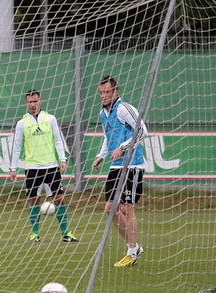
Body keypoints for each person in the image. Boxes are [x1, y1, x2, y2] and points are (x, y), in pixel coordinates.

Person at [92, 75, 148, 268]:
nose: (103, 95)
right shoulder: (103, 114)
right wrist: (101, 155)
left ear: (116, 91)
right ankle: (134, 247)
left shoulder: (124, 108)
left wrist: (123, 148)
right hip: (115, 167)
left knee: (127, 208)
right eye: (100, 93)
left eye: (107, 92)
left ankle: (131, 252)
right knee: (110, 209)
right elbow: (108, 138)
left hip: (132, 165)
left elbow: (142, 131)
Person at [9, 90, 78, 243]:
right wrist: (13, 168)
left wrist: (62, 159)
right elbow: (16, 145)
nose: (32, 104)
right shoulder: (22, 123)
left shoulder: (50, 119)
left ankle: (66, 233)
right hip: (32, 167)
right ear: (26, 103)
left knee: (59, 198)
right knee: (33, 199)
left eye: (35, 101)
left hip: (51, 166)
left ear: (40, 101)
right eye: (29, 102)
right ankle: (34, 234)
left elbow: (58, 140)